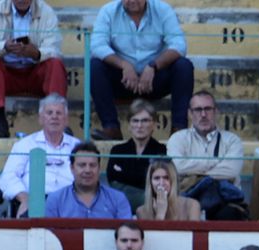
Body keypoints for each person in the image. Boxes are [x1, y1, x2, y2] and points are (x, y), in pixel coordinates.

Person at [87, 0, 194, 142]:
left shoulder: (162, 10)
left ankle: (179, 130)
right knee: (94, 66)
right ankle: (111, 128)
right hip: (123, 80)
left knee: (184, 66)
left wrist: (153, 66)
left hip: (154, 80)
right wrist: (124, 65)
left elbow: (179, 45)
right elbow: (97, 46)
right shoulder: (108, 11)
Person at [0, 0, 68, 139]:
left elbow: (55, 50)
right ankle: (0, 121)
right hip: (6, 75)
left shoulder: (46, 12)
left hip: (35, 73)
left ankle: (58, 122)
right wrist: (4, 47)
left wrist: (36, 53)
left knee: (55, 64)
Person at [167, 91, 247, 219]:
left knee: (229, 215)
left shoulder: (232, 140)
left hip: (225, 200)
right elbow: (178, 167)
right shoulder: (177, 139)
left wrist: (195, 173)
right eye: (198, 109)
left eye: (208, 109)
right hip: (187, 198)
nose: (203, 114)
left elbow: (231, 171)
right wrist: (215, 162)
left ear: (216, 112)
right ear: (190, 113)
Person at [0, 93, 77, 214]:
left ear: (66, 120)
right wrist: (25, 198)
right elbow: (7, 177)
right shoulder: (25, 144)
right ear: (40, 119)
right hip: (35, 202)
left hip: (71, 204)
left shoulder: (77, 146)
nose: (54, 117)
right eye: (49, 113)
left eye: (59, 113)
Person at [106, 100, 166, 214]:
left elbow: (157, 182)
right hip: (123, 207)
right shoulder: (117, 150)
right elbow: (112, 181)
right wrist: (142, 178)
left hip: (152, 209)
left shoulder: (161, 150)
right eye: (135, 121)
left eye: (145, 121)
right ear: (129, 125)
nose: (139, 126)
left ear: (153, 124)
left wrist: (124, 177)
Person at [44, 143, 133, 220]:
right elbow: (50, 235)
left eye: (92, 165)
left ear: (99, 168)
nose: (87, 170)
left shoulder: (118, 199)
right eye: (82, 165)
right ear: (72, 168)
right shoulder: (55, 199)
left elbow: (127, 234)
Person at [135, 159, 202, 220]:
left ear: (173, 180)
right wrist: (160, 214)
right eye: (157, 178)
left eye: (166, 178)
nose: (161, 183)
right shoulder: (142, 211)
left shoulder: (192, 206)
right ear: (150, 182)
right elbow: (155, 233)